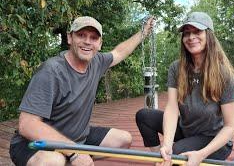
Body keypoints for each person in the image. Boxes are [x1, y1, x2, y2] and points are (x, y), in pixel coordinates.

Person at [9, 16, 154, 166]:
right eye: (81, 35)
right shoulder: (51, 71)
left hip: (76, 138)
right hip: (34, 143)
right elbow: (27, 124)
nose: (87, 41)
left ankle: (72, 158)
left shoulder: (97, 62)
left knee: (123, 140)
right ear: (70, 38)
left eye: (93, 38)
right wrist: (75, 152)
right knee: (54, 161)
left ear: (99, 43)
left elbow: (119, 52)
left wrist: (142, 33)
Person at [136, 12, 234, 166]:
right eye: (187, 33)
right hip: (187, 131)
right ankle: (163, 159)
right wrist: (167, 147)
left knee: (178, 153)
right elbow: (171, 108)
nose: (191, 37)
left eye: (197, 31)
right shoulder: (176, 68)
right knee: (144, 116)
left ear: (209, 35)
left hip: (213, 140)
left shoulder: (224, 74)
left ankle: (174, 158)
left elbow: (230, 127)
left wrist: (201, 154)